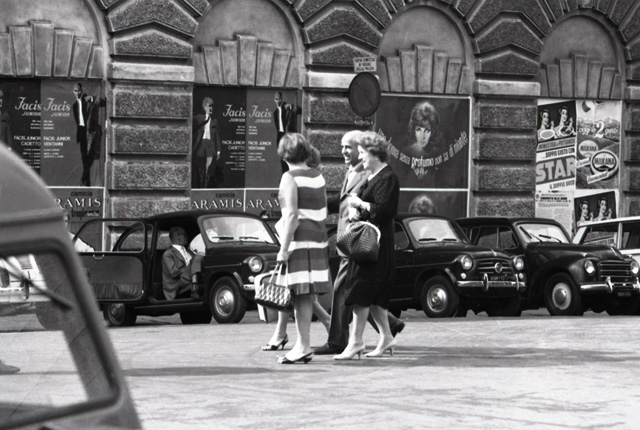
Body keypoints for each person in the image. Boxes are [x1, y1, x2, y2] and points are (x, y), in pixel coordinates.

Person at [314, 130, 404, 356]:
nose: (361, 157)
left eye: (362, 152)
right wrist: (357, 211)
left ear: (374, 153)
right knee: (368, 297)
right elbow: (353, 204)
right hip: (361, 245)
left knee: (359, 293)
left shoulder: (387, 178)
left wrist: (360, 206)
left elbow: (385, 211)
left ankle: (351, 342)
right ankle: (387, 335)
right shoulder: (370, 176)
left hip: (373, 246)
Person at [262, 133, 331, 364]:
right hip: (318, 239)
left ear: (284, 154)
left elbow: (291, 216)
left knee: (301, 295)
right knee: (305, 295)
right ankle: (302, 344)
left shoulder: (289, 177)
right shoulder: (318, 176)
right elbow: (321, 211)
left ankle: (302, 346)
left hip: (299, 241)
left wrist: (283, 249)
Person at [162, 226, 203, 300]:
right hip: (177, 284)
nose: (187, 237)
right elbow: (173, 272)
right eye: (185, 235)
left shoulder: (188, 251)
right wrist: (189, 269)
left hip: (189, 278)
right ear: (178, 236)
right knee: (198, 256)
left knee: (201, 256)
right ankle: (194, 287)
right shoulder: (168, 254)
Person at [192, 97, 222, 188]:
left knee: (208, 168)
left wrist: (218, 150)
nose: (211, 109)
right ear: (205, 107)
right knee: (200, 167)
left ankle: (205, 186)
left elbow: (217, 136)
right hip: (201, 144)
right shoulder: (199, 118)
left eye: (212, 107)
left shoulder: (215, 121)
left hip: (210, 145)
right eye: (209, 106)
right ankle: (200, 184)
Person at [273, 92, 298, 173]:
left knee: (290, 155)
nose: (278, 101)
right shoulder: (275, 112)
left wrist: (290, 107)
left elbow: (298, 110)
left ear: (281, 99)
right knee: (282, 157)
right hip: (280, 135)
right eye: (276, 99)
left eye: (279, 99)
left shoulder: (286, 107)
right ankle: (285, 173)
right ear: (274, 100)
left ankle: (291, 172)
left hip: (288, 135)